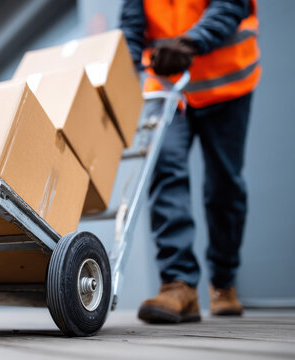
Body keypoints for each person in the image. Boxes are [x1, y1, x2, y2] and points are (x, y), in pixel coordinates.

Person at [120, 0, 260, 323]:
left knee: (224, 185)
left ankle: (224, 283)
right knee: (166, 169)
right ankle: (178, 284)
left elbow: (231, 6)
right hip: (168, 87)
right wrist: (123, 73)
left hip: (226, 83)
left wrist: (190, 42)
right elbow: (131, 28)